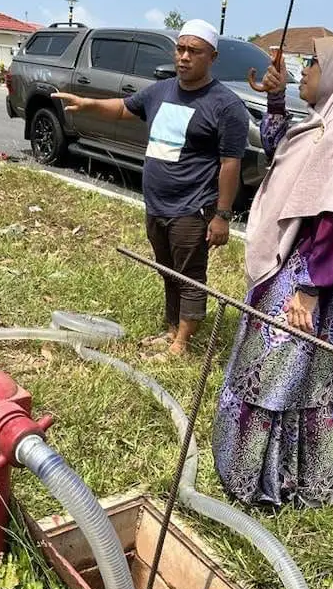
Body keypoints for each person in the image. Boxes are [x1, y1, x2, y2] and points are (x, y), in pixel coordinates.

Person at [212, 36, 333, 508]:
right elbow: (280, 151)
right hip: (311, 262)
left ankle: (274, 482)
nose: (305, 70)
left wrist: (310, 287)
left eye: (313, 62)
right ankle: (270, 473)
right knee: (291, 374)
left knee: (283, 374)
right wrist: (276, 95)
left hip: (327, 274)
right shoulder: (330, 121)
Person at [53, 19, 249, 355]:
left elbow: (230, 163)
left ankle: (182, 344)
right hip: (157, 203)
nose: (184, 57)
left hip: (193, 206)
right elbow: (124, 108)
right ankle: (173, 330)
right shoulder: (162, 90)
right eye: (180, 49)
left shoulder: (226, 106)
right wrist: (88, 104)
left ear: (212, 57)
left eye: (194, 51)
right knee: (167, 270)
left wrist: (222, 215)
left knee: (189, 275)